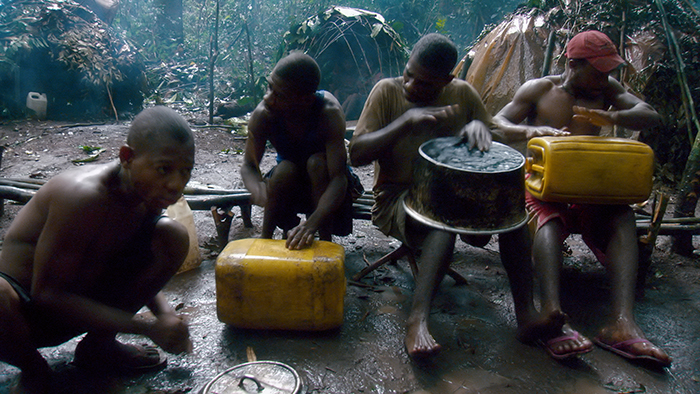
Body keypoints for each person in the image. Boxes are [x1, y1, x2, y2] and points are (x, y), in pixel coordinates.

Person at [349, 33, 542, 358]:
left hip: (461, 192)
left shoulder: (462, 93)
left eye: (423, 83)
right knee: (442, 221)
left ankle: (526, 315)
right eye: (409, 74)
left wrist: (478, 130)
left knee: (513, 218)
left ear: (446, 80)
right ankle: (417, 320)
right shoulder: (388, 92)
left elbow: (491, 132)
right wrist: (404, 123)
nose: (411, 85)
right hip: (397, 199)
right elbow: (356, 154)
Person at [493, 30, 672, 367]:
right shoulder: (540, 90)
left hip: (590, 189)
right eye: (598, 70)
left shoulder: (607, 90)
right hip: (545, 189)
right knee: (547, 221)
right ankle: (551, 312)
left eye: (608, 71)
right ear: (572, 64)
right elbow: (496, 123)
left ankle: (622, 322)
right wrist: (531, 131)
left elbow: (651, 115)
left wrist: (614, 117)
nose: (605, 77)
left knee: (622, 216)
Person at [0, 106, 195, 394]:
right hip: (26, 315)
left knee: (174, 236)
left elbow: (133, 265)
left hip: (84, 305)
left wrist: (164, 314)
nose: (176, 185)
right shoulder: (82, 198)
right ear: (127, 157)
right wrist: (146, 327)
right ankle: (34, 369)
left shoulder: (146, 196)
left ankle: (98, 346)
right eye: (164, 169)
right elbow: (47, 295)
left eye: (185, 171)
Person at [241, 52, 362, 250]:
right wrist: (257, 188)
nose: (267, 98)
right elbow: (249, 165)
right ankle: (265, 240)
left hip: (326, 184)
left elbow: (338, 179)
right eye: (269, 86)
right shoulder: (264, 114)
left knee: (316, 164)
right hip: (290, 183)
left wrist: (311, 224)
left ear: (305, 100)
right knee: (284, 169)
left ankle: (324, 243)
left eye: (278, 94)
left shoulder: (328, 113)